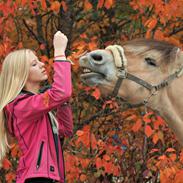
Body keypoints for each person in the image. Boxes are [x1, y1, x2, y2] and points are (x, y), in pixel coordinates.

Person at [0, 31, 73, 183]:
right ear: (21, 75)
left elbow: (66, 130)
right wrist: (59, 53)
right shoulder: (21, 106)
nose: (41, 64)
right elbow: (61, 92)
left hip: (49, 177)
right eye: (34, 64)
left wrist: (62, 102)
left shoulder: (36, 107)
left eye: (38, 61)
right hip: (37, 177)